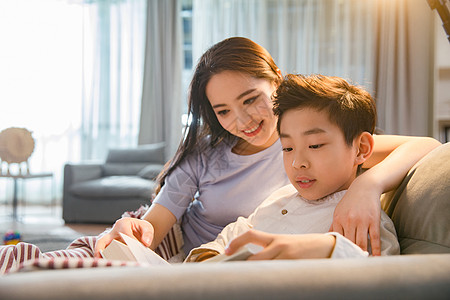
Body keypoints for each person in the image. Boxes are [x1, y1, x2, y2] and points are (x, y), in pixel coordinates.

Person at [0, 37, 440, 274]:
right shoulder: (209, 156)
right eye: (223, 110)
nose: (242, 120)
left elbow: (428, 146)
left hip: (221, 260)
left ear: (276, 82)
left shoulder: (304, 139)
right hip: (178, 243)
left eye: (251, 99)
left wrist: (367, 185)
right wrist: (135, 229)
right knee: (63, 260)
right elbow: (156, 227)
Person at [186, 74, 400, 262]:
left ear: (361, 148)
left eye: (315, 145)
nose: (297, 163)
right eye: (287, 148)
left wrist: (326, 248)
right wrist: (209, 258)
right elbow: (237, 231)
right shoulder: (282, 196)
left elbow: (381, 278)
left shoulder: (362, 217)